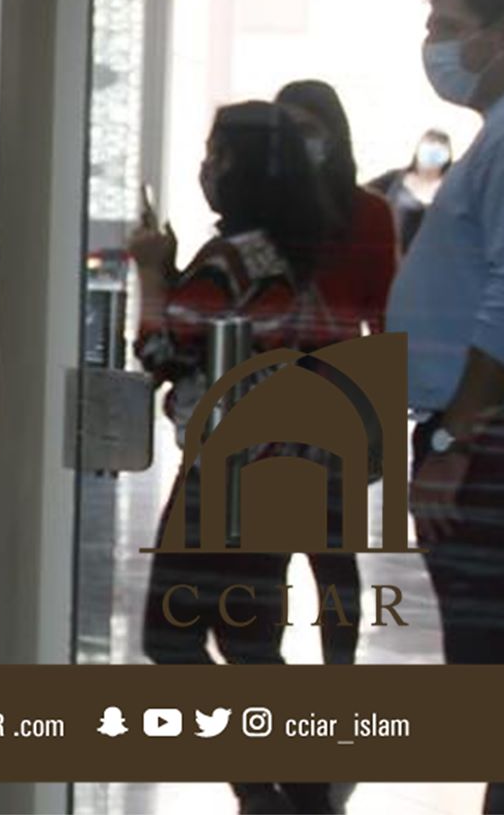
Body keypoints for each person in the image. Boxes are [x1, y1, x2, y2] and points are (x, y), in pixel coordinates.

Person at [129, 101, 344, 815]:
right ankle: (302, 791)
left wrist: (150, 271)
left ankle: (262, 787)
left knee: (170, 637)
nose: (207, 168)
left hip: (226, 471)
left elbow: (161, 350)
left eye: (217, 154)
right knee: (251, 644)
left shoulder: (227, 260)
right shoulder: (282, 255)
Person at [389, 0, 504, 815]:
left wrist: (452, 441)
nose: (432, 46)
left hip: (488, 439)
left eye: (447, 27)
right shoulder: (493, 135)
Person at [273, 78, 397, 668]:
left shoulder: (368, 213)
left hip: (335, 399)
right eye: (288, 129)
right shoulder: (264, 207)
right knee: (264, 553)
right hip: (268, 394)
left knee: (331, 553)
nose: (301, 141)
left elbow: (385, 313)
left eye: (310, 128)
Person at [371, 128, 455, 254]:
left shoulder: (453, 187)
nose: (433, 151)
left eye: (440, 147)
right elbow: (364, 196)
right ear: (418, 149)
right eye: (430, 143)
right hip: (392, 255)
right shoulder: (394, 178)